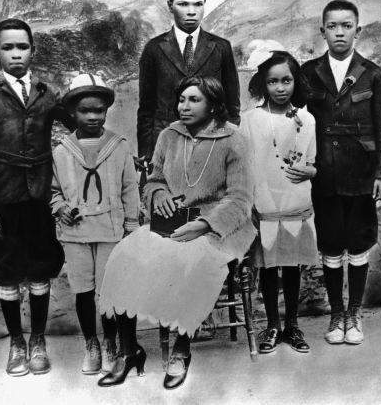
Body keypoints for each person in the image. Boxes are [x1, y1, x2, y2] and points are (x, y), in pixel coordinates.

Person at [97, 76, 255, 389]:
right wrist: (159, 195)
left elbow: (240, 198)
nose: (184, 106)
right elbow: (154, 180)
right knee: (125, 254)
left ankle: (181, 351)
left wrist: (206, 224)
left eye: (194, 100)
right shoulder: (169, 135)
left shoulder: (233, 139)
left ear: (213, 105)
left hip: (220, 227)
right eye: (181, 99)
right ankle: (129, 352)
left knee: (190, 261)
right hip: (175, 220)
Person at [0, 18, 75, 376]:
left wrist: (84, 93)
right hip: (3, 199)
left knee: (40, 268)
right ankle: (17, 341)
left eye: (23, 46)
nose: (16, 54)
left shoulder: (47, 95)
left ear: (33, 50)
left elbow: (78, 122)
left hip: (41, 198)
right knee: (8, 271)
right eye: (8, 47)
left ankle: (39, 340)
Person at [302, 0, 381, 345]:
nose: (339, 32)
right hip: (322, 174)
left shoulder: (372, 73)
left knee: (358, 244)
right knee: (330, 245)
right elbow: (297, 121)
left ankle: (354, 314)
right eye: (332, 26)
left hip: (361, 174)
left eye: (346, 25)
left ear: (358, 30)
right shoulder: (308, 73)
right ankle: (335, 314)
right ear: (322, 30)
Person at [50, 74, 139, 375]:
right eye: (85, 110)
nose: (92, 116)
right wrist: (61, 208)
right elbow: (53, 191)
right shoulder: (62, 151)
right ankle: (92, 342)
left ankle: (111, 340)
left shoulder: (118, 146)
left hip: (111, 230)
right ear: (73, 113)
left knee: (109, 290)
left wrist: (131, 224)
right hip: (76, 234)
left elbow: (130, 187)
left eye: (98, 110)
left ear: (106, 111)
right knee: (83, 291)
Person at [240, 49, 317, 354]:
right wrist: (251, 204)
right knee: (270, 266)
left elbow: (312, 162)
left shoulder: (306, 118)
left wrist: (310, 169)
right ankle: (272, 324)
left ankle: (292, 325)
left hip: (296, 198)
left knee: (293, 265)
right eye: (273, 82)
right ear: (263, 83)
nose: (281, 88)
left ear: (296, 81)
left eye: (287, 80)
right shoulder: (250, 120)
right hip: (265, 201)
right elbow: (245, 164)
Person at [137, 0, 241, 163]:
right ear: (170, 6)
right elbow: (146, 110)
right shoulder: (154, 49)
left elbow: (232, 107)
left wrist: (227, 147)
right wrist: (147, 155)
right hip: (166, 147)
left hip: (211, 147)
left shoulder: (221, 48)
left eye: (198, 4)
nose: (191, 11)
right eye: (183, 4)